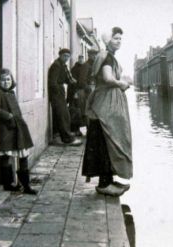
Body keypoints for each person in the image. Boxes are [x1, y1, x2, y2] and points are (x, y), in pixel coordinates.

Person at [82, 27, 132, 196]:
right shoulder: (107, 57)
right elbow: (107, 78)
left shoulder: (106, 56)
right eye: (116, 38)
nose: (119, 41)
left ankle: (108, 180)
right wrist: (122, 83)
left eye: (120, 38)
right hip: (105, 106)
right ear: (108, 40)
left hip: (103, 104)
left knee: (109, 141)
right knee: (107, 141)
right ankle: (104, 184)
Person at [0, 68, 37, 195]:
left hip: (19, 128)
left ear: (12, 80)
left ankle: (26, 184)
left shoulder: (11, 93)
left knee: (23, 155)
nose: (6, 82)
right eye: (3, 80)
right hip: (7, 129)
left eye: (8, 79)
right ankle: (8, 183)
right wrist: (8, 116)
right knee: (6, 155)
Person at [48, 48, 82, 146]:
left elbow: (68, 79)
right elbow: (53, 82)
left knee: (61, 115)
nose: (66, 58)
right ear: (60, 55)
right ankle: (67, 139)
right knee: (63, 116)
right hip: (57, 93)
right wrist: (58, 91)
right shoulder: (56, 66)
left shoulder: (63, 66)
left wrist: (76, 83)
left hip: (60, 92)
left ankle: (57, 137)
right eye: (64, 56)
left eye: (68, 56)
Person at [68, 55, 85, 136]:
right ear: (78, 59)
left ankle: (79, 130)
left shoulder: (84, 68)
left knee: (80, 112)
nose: (81, 60)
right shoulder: (74, 69)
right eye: (80, 59)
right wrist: (75, 92)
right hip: (76, 92)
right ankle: (75, 130)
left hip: (82, 92)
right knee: (76, 111)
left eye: (82, 59)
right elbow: (72, 82)